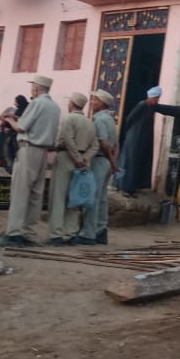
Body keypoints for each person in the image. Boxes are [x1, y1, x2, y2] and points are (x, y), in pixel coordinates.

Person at [0, 76, 61, 247]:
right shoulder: (55, 107)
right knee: (35, 195)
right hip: (43, 151)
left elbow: (21, 127)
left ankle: (14, 232)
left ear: (37, 88)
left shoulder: (37, 103)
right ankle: (29, 233)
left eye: (33, 87)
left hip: (28, 149)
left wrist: (10, 119)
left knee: (20, 192)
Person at [48, 93, 99, 246]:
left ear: (72, 103)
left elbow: (68, 140)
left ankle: (56, 234)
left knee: (58, 197)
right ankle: (70, 233)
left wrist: (76, 158)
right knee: (74, 198)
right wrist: (84, 159)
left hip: (65, 158)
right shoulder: (90, 122)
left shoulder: (68, 119)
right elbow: (95, 145)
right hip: (81, 162)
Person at [119, 86, 180, 195]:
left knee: (140, 161)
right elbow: (129, 119)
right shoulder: (142, 105)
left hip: (143, 138)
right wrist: (130, 134)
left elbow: (165, 109)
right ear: (151, 97)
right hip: (134, 139)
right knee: (131, 162)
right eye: (156, 98)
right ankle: (125, 187)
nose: (157, 101)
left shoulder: (152, 106)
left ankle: (134, 187)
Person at [73, 89, 118, 246]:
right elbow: (115, 144)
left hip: (99, 160)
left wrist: (112, 162)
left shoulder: (99, 120)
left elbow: (104, 143)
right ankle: (100, 230)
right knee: (102, 198)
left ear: (102, 103)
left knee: (92, 197)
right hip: (106, 162)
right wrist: (113, 162)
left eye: (95, 100)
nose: (92, 103)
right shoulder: (110, 119)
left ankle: (88, 233)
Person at [0, 94, 28, 171]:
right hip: (10, 132)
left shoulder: (24, 111)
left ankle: (7, 164)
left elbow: (19, 120)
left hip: (15, 135)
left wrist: (9, 117)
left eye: (16, 102)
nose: (14, 103)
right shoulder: (17, 110)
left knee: (5, 146)